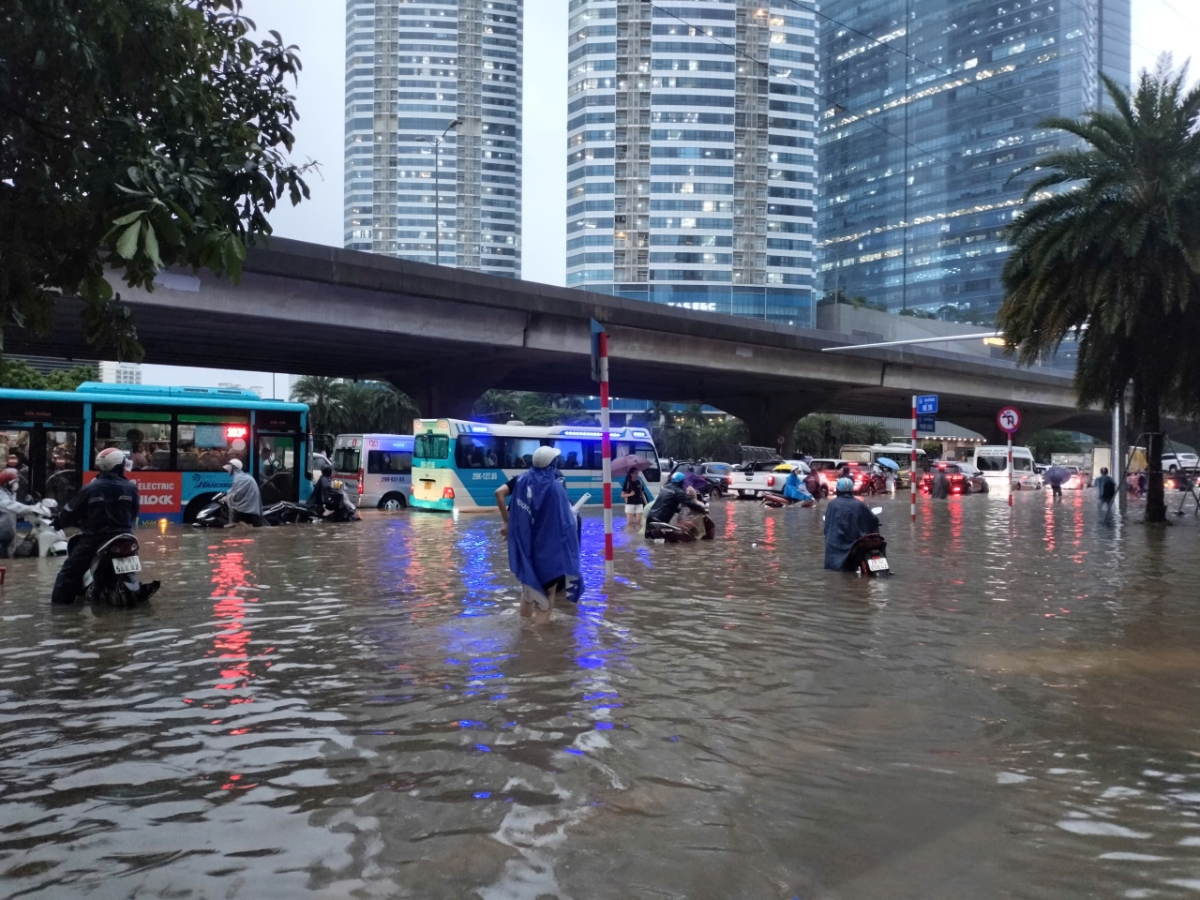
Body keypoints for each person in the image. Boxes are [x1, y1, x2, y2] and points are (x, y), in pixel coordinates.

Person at [51, 448, 157, 605]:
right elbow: (134, 513)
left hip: (95, 539)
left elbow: (69, 513)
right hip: (125, 537)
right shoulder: (130, 487)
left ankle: (59, 608)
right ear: (118, 467)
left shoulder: (90, 488)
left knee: (68, 574)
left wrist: (59, 522)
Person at [507, 446, 581, 625]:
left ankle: (523, 630)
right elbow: (566, 522)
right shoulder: (555, 488)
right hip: (550, 552)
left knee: (529, 591)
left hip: (528, 549)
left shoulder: (522, 481)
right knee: (549, 594)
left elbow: (517, 515)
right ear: (553, 464)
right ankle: (538, 639)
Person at [823, 476, 881, 572]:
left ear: (838, 489)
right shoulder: (860, 504)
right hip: (858, 542)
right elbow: (873, 520)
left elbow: (828, 528)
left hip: (839, 545)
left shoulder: (833, 505)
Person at [644, 471, 708, 537]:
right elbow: (690, 502)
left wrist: (680, 510)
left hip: (650, 516)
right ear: (681, 482)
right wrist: (702, 509)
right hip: (660, 519)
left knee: (649, 541)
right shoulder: (678, 492)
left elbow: (667, 504)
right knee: (664, 540)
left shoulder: (666, 487)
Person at [0, 468, 40, 558]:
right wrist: (31, 509)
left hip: (9, 536)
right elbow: (11, 506)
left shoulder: (11, 494)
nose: (17, 484)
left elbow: (15, 511)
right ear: (8, 483)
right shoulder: (1, 495)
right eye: (15, 482)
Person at [223, 459, 265, 526]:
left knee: (237, 526)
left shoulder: (239, 478)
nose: (227, 470)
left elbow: (236, 494)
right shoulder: (242, 476)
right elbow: (235, 490)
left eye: (229, 467)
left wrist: (226, 498)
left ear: (234, 467)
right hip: (250, 507)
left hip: (246, 509)